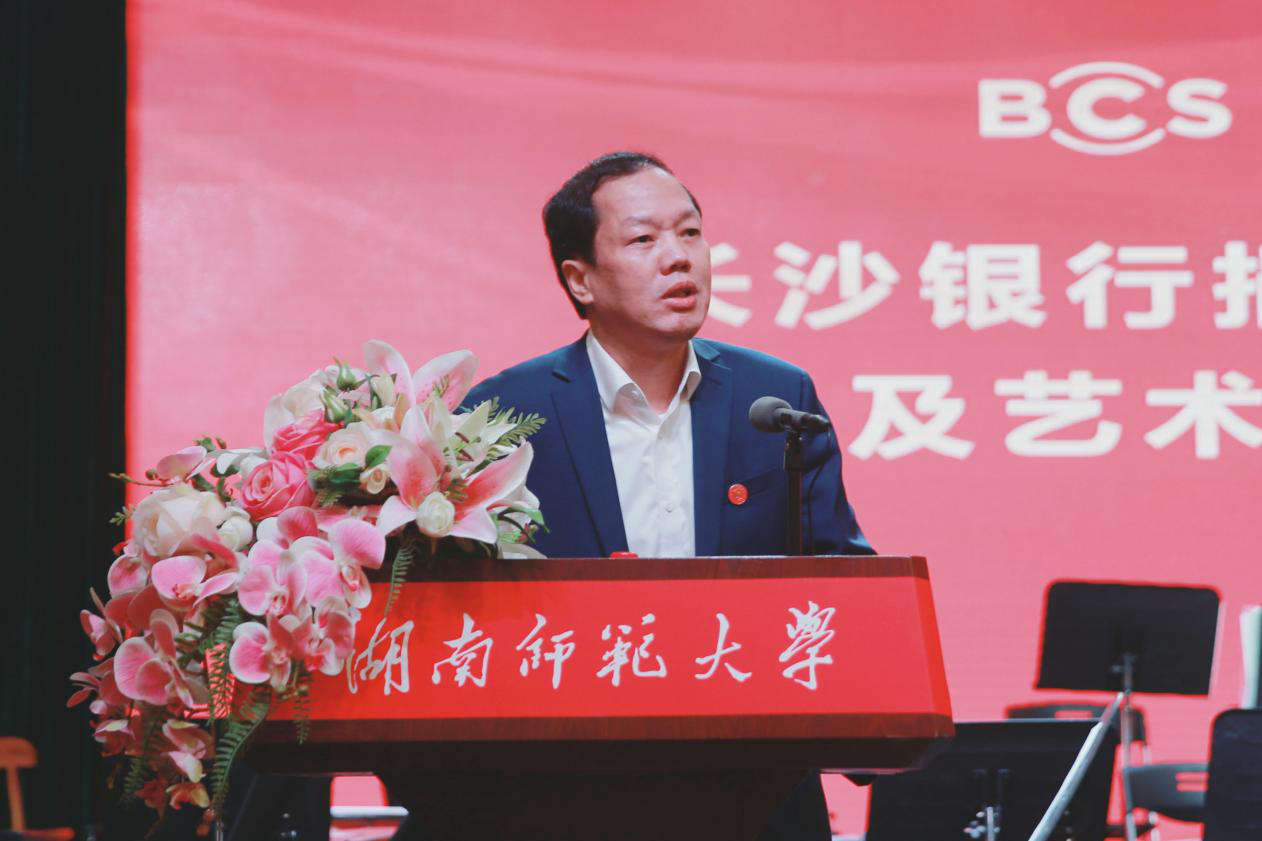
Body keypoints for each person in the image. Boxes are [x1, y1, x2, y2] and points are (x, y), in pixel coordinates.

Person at [392, 152, 874, 840]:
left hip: (752, 792)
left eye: (691, 233)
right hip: (559, 796)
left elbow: (841, 574)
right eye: (644, 239)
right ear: (580, 279)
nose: (679, 258)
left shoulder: (775, 398)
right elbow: (451, 613)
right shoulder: (505, 414)